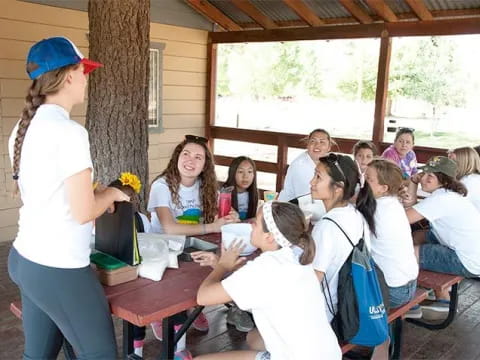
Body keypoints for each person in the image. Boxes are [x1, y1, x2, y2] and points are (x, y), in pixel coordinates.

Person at [7, 36, 129, 359]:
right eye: (84, 70)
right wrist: (112, 193)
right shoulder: (70, 133)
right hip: (58, 268)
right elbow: (83, 212)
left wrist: (96, 193)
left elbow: (51, 194)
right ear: (70, 75)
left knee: (37, 356)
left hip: (25, 259)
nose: (87, 79)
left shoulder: (21, 128)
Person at [194, 201, 342, 360]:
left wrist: (222, 266)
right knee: (253, 338)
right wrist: (227, 268)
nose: (251, 226)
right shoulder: (298, 257)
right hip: (329, 353)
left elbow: (203, 297)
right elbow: (266, 286)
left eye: (255, 224)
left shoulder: (262, 269)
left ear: (269, 237)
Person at [147, 135, 237, 354]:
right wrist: (213, 227)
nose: (191, 160)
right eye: (186, 154)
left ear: (205, 165)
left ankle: (192, 308)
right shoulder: (162, 185)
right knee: (180, 281)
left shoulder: (205, 186)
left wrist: (229, 216)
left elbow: (217, 215)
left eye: (198, 157)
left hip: (192, 246)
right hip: (163, 250)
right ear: (177, 157)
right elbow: (169, 228)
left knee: (211, 265)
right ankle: (163, 315)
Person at [310, 153, 391, 359]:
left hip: (331, 316)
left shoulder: (326, 227)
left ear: (338, 187)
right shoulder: (357, 214)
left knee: (254, 338)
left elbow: (311, 282)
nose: (311, 182)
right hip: (353, 307)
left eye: (318, 177)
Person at [405, 156, 480, 319]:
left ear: (443, 181)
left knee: (406, 255)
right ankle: (435, 290)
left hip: (466, 260)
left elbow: (403, 219)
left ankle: (410, 302)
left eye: (429, 176)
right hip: (470, 252)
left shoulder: (440, 199)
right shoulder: (450, 194)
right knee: (418, 235)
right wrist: (413, 181)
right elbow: (410, 206)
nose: (423, 178)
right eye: (423, 173)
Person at [364, 160, 418, 310]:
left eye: (369, 179)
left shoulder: (375, 211)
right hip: (409, 284)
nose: (363, 180)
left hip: (393, 291)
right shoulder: (393, 203)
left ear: (383, 188)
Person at [278, 128, 333, 202]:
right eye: (313, 141)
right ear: (308, 145)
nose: (317, 145)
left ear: (329, 147)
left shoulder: (330, 161)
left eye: (322, 142)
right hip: (293, 207)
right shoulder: (299, 166)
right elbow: (308, 199)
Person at [222, 156, 259, 221]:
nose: (245, 176)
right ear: (232, 173)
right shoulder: (223, 194)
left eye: (250, 172)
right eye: (240, 172)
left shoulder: (254, 194)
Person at [447, 147, 480, 212]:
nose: (447, 165)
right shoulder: (475, 177)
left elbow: (448, 205)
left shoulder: (467, 182)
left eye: (452, 161)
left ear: (463, 163)